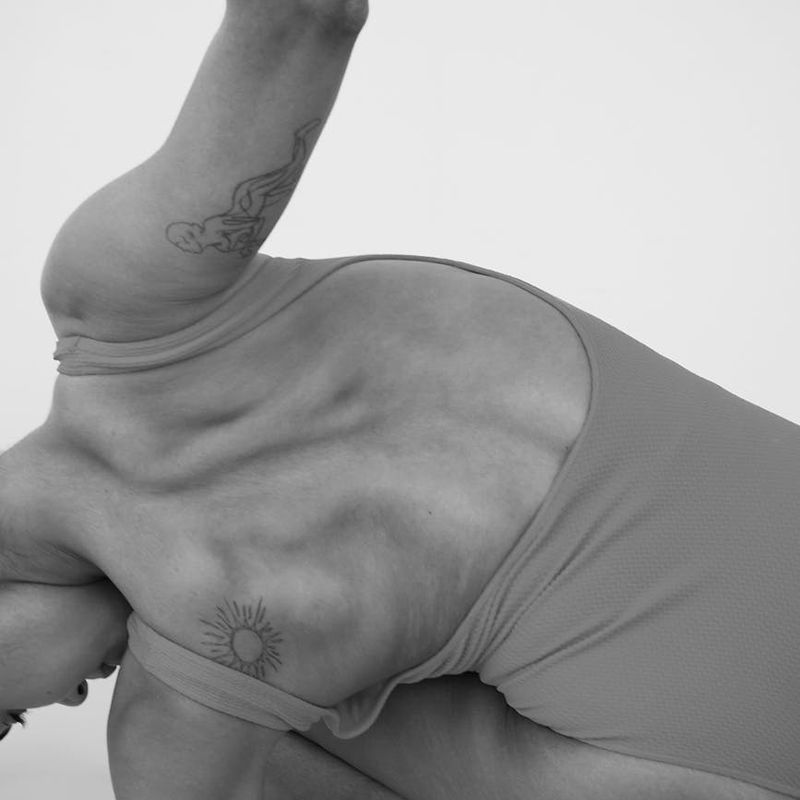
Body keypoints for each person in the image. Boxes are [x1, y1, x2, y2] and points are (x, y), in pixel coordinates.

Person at [2, 1, 798, 798]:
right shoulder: (117, 293)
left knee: (284, 728)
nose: (67, 698)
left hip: (732, 759)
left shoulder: (175, 727)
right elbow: (310, 16)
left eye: (8, 713)